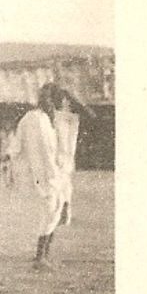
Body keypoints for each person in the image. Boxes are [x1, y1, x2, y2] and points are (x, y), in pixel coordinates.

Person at [0, 83, 68, 270]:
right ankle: (40, 257)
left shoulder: (36, 119)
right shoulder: (38, 120)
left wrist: (9, 154)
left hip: (46, 173)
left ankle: (44, 255)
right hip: (44, 173)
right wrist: (8, 155)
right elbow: (35, 147)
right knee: (50, 212)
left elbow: (17, 143)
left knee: (54, 211)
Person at [52, 89, 82, 225]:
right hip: (68, 155)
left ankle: (63, 209)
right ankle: (66, 209)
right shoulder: (74, 119)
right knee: (65, 182)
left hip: (61, 155)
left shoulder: (59, 118)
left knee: (61, 183)